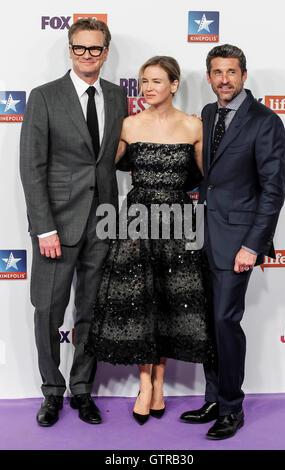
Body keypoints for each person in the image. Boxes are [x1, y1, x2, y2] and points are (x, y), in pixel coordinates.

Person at [85, 56, 215, 425]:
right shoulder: (128, 124)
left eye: (157, 81)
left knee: (170, 301)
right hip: (138, 219)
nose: (148, 88)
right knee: (141, 301)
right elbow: (98, 166)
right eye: (144, 82)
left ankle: (160, 383)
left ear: (174, 85)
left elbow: (208, 178)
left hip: (178, 219)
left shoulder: (194, 126)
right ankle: (146, 384)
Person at [19, 18, 128, 427]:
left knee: (91, 311)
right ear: (70, 50)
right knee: (48, 311)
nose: (88, 55)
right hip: (57, 228)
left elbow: (114, 158)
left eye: (95, 49)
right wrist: (44, 228)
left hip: (102, 223)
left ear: (105, 51)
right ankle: (51, 392)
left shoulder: (118, 97)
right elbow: (32, 167)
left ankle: (82, 389)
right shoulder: (44, 97)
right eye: (80, 48)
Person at [180, 44, 285, 439]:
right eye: (217, 72)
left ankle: (231, 407)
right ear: (208, 77)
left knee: (225, 322)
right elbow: (205, 175)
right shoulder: (208, 114)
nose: (224, 79)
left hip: (237, 241)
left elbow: (273, 191)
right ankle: (212, 398)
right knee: (208, 324)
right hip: (202, 236)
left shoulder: (265, 121)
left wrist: (252, 245)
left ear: (243, 75)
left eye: (231, 72)